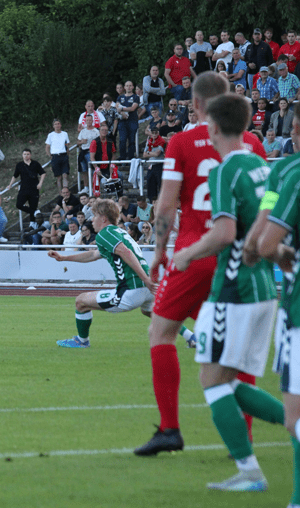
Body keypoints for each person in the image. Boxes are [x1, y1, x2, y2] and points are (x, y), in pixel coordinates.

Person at [140, 72, 268, 458]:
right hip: (238, 260)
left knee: (161, 334)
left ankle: (169, 429)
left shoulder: (181, 141)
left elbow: (166, 203)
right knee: (237, 352)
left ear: (195, 104)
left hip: (194, 254)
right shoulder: (254, 145)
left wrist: (160, 251)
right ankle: (242, 438)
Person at [172, 93, 282, 491]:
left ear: (212, 127)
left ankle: (250, 472)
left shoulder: (224, 171)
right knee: (231, 379)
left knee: (213, 381)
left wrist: (186, 253)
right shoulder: (261, 165)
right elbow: (270, 213)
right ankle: (289, 428)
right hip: (266, 287)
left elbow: (224, 233)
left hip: (233, 289)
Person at [254, 113, 300, 508]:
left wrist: (282, 255)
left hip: (297, 311)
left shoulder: (287, 172)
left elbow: (265, 239)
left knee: (294, 417)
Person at [49, 199, 156, 348]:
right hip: (146, 288)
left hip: (131, 290)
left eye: (94, 216)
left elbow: (125, 252)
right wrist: (64, 258)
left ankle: (82, 341)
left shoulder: (104, 234)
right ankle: (191, 338)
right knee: (154, 313)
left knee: (81, 302)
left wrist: (146, 279)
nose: (91, 220)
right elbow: (93, 255)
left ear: (104, 218)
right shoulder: (118, 232)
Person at [5, 149, 46, 225]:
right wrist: (10, 185)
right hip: (24, 188)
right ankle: (35, 212)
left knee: (33, 205)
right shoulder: (19, 165)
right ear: (22, 155)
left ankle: (32, 224)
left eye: (28, 154)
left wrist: (40, 183)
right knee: (19, 204)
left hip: (34, 188)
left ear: (30, 155)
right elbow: (15, 176)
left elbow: (43, 173)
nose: (26, 156)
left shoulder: (35, 164)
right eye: (24, 154)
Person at [117, 81, 140, 160]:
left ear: (133, 87)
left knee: (131, 140)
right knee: (122, 140)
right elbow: (117, 107)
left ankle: (131, 158)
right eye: (127, 85)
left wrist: (122, 109)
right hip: (122, 122)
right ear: (124, 87)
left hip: (132, 121)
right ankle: (122, 157)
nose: (129, 87)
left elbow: (133, 108)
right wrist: (123, 113)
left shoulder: (136, 97)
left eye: (130, 85)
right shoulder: (120, 97)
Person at [45, 119, 70, 188]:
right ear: (53, 126)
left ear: (61, 125)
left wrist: (67, 155)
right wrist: (50, 156)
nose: (57, 125)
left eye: (58, 124)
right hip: (55, 156)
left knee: (65, 175)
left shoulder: (65, 134)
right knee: (59, 177)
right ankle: (60, 194)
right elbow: (47, 147)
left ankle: (66, 191)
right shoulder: (51, 135)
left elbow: (67, 145)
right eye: (55, 124)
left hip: (64, 155)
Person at [77, 118, 100, 192]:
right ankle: (86, 187)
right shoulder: (82, 131)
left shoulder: (96, 131)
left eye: (90, 120)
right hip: (83, 151)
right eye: (87, 120)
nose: (89, 121)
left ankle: (95, 186)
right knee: (84, 170)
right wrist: (82, 142)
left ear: (92, 121)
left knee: (93, 169)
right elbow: (78, 142)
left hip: (92, 152)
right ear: (85, 121)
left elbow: (99, 142)